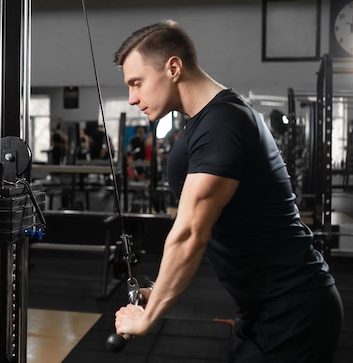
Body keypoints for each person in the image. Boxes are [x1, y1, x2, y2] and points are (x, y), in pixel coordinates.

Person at [112, 20, 342, 362]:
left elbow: (191, 232)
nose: (132, 98)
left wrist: (149, 316)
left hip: (292, 307)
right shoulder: (210, 120)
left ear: (173, 67)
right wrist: (156, 291)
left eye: (137, 83)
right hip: (265, 308)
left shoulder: (222, 123)